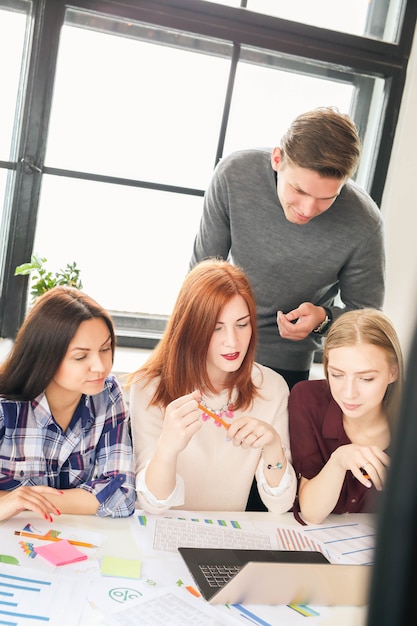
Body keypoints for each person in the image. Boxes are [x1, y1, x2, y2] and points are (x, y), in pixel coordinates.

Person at [190, 107, 385, 390]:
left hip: (286, 363)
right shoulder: (235, 174)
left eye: (326, 198)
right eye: (300, 190)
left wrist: (323, 319)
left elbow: (365, 318)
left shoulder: (364, 222)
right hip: (210, 341)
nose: (308, 209)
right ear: (277, 158)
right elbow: (200, 275)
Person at [127, 259, 296, 514]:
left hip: (226, 539)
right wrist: (168, 446)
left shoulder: (271, 388)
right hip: (159, 536)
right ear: (191, 329)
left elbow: (280, 503)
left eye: (242, 324)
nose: (232, 341)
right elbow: (153, 504)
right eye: (217, 328)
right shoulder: (149, 388)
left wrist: (273, 446)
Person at [0, 286, 136, 522]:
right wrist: (7, 503)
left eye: (105, 349)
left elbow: (121, 495)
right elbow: (106, 496)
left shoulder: (108, 395)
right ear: (45, 356)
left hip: (70, 541)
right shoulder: (5, 407)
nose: (100, 366)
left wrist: (25, 499)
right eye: (81, 356)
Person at [288, 308, 403, 525]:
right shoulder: (307, 399)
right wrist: (338, 461)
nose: (348, 393)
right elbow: (312, 513)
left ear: (393, 372)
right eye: (337, 375)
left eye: (366, 378)